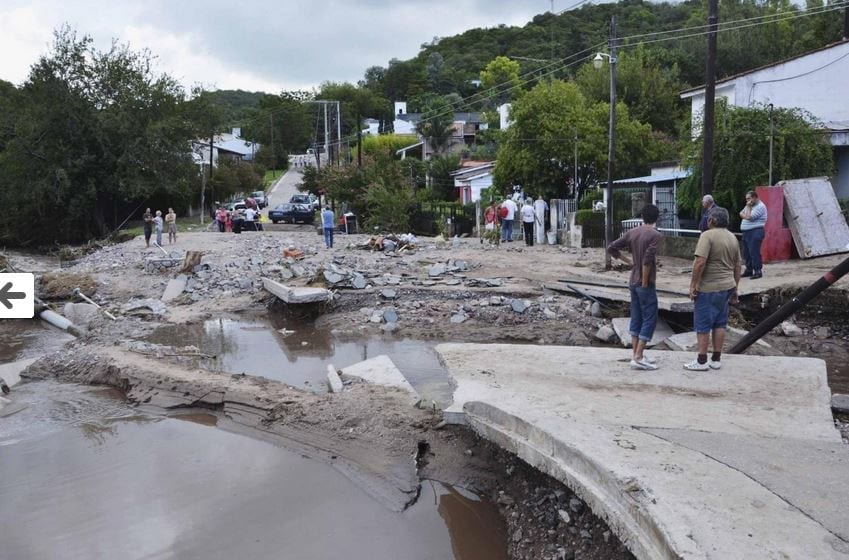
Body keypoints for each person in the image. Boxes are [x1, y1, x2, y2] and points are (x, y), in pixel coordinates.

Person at [684, 207, 741, 371]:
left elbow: (700, 263)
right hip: (727, 286)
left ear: (712, 221)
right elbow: (738, 266)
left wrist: (693, 285)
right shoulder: (733, 238)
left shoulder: (707, 235)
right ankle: (716, 359)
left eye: (708, 218)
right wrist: (735, 288)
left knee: (702, 324)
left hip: (709, 287)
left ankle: (702, 360)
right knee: (719, 323)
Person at [607, 204, 662, 371]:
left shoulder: (633, 232)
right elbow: (647, 260)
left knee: (636, 317)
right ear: (656, 217)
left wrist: (629, 262)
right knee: (650, 318)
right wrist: (645, 280)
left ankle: (636, 354)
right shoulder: (655, 235)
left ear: (642, 217)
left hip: (632, 280)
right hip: (644, 282)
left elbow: (611, 247)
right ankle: (638, 356)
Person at [739, 190, 767, 279]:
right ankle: (749, 270)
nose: (748, 201)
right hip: (747, 232)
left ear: (755, 197)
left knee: (754, 252)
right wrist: (747, 209)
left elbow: (748, 217)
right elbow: (741, 213)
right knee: (746, 253)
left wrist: (747, 208)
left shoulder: (760, 207)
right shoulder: (750, 206)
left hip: (755, 231)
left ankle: (758, 271)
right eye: (746, 199)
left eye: (749, 198)